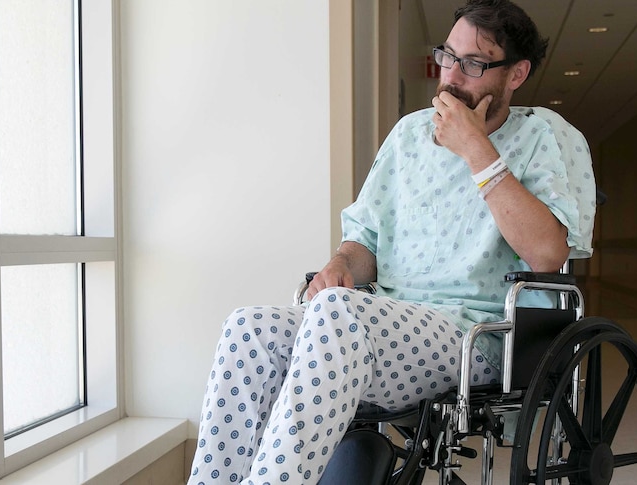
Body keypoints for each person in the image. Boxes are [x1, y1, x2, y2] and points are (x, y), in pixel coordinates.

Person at [187, 0, 594, 483]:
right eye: (448, 56)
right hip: (383, 320)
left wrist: (476, 149)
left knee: (338, 313)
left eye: (474, 64)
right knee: (248, 328)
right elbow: (365, 240)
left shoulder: (539, 137)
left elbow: (548, 254)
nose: (452, 76)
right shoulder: (409, 135)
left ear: (516, 74)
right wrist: (341, 264)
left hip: (474, 335)